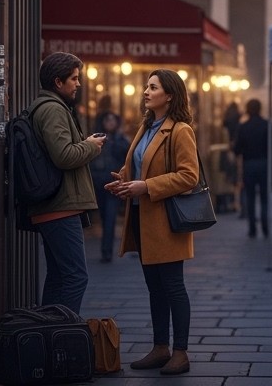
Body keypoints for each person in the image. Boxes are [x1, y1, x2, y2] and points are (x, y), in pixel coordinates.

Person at [108, 69, 200, 375]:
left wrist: (146, 187)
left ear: (169, 95)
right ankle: (160, 347)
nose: (146, 91)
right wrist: (123, 180)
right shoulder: (146, 126)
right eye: (146, 86)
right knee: (154, 288)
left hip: (167, 221)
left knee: (173, 286)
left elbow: (189, 176)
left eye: (153, 87)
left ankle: (181, 352)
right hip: (142, 218)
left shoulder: (180, 130)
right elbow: (139, 164)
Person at [28, 51, 105, 314]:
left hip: (55, 206)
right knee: (75, 277)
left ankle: (49, 338)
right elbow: (64, 155)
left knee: (59, 277)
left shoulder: (50, 107)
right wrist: (91, 146)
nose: (78, 84)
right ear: (58, 82)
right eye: (73, 78)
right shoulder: (52, 110)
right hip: (60, 206)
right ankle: (63, 338)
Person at [233, 98, 272, 238]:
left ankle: (252, 227)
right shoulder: (267, 125)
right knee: (265, 197)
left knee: (250, 197)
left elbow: (237, 149)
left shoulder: (243, 126)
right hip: (264, 163)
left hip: (249, 164)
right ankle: (265, 226)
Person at [89, 111, 131, 263]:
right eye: (108, 120)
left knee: (110, 218)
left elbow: (127, 158)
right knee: (103, 216)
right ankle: (105, 250)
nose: (110, 123)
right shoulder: (97, 138)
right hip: (99, 184)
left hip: (114, 184)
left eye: (113, 120)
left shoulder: (121, 140)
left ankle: (106, 252)